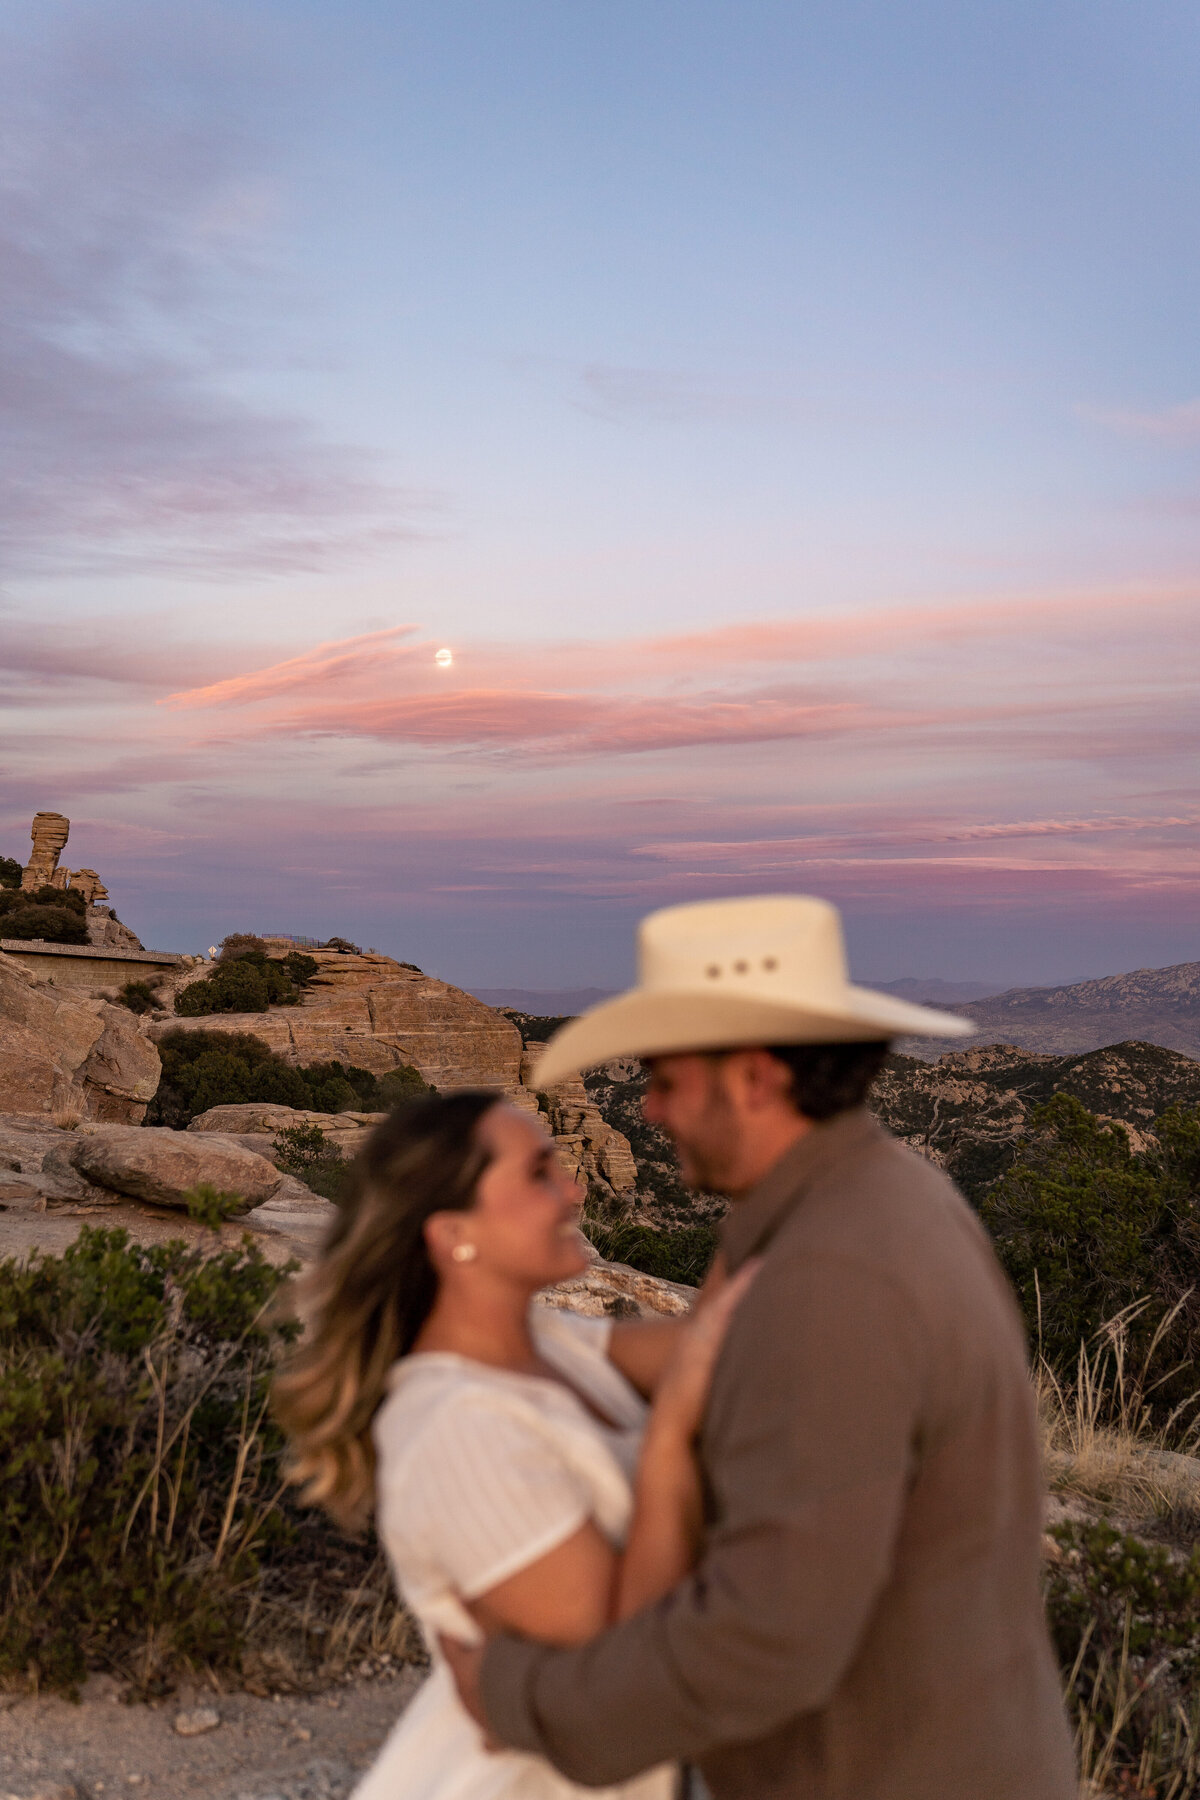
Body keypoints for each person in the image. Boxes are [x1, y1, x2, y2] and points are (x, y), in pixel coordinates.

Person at [441, 894, 1077, 1800]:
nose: (651, 1107)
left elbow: (763, 1642)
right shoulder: (847, 1201)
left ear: (752, 1076)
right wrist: (525, 1340)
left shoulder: (838, 1276)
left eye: (665, 1076)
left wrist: (518, 1696)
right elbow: (717, 1347)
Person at [272, 1086, 756, 1800]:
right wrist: (671, 1442)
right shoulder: (455, 1429)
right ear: (450, 1235)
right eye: (538, 1174)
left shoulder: (550, 1345)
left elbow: (715, 1339)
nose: (574, 1187)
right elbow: (618, 1675)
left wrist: (767, 1164)